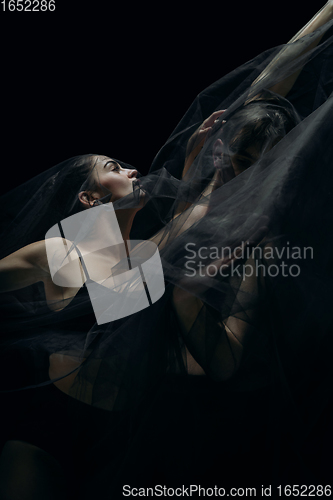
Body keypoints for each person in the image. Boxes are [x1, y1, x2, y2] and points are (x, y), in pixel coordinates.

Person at [1, 3, 333, 498]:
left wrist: (185, 297)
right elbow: (272, 76)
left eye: (244, 157)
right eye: (229, 147)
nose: (224, 156)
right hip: (53, 407)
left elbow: (224, 361)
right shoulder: (173, 205)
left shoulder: (242, 238)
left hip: (118, 434)